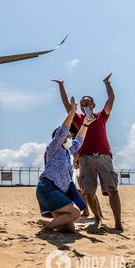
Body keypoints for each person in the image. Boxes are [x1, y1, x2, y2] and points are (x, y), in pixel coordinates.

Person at [52, 74, 123, 231]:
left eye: (87, 103)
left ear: (93, 104)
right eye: (82, 104)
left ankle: (118, 223)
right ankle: (97, 219)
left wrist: (107, 83)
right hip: (85, 158)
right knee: (88, 192)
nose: (85, 106)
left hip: (104, 156)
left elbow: (111, 99)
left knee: (112, 190)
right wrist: (61, 86)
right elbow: (66, 105)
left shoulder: (101, 116)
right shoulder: (78, 118)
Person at [37, 96, 95, 232]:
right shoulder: (54, 147)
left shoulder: (68, 151)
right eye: (67, 137)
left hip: (59, 192)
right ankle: (46, 230)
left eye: (70, 136)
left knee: (69, 229)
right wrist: (72, 112)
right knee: (75, 213)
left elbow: (79, 140)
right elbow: (63, 131)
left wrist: (85, 124)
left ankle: (47, 223)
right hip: (48, 189)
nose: (69, 138)